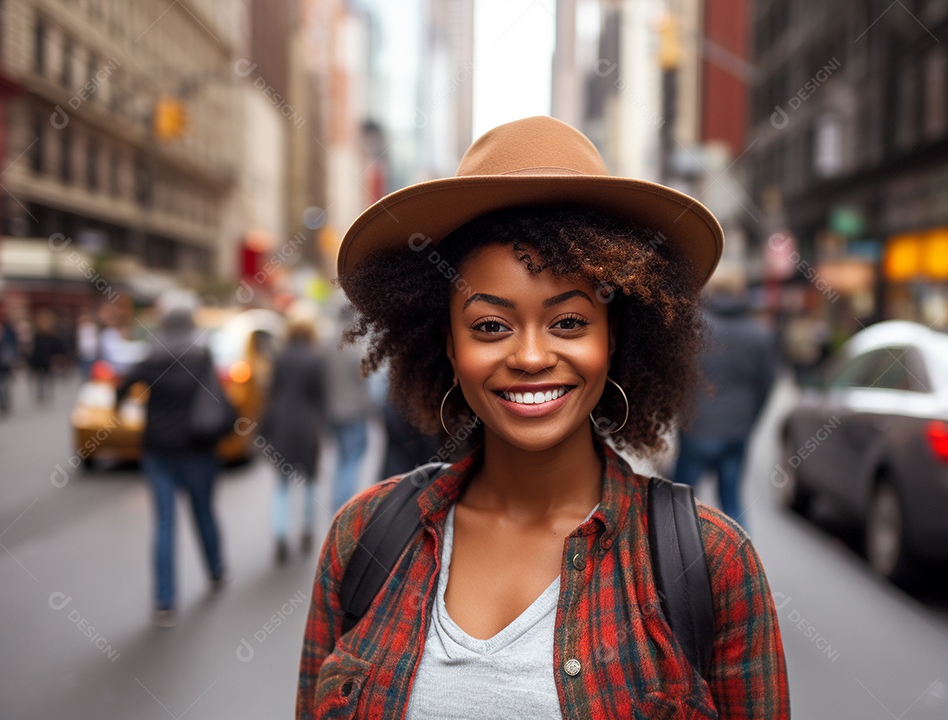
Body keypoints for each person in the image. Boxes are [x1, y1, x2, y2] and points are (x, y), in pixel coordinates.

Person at [297, 116, 789, 719]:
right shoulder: (362, 539)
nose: (530, 357)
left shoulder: (713, 564)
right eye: (490, 326)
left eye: (569, 322)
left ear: (614, 337)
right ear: (449, 344)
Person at [115, 303, 227, 627]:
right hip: (197, 450)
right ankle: (216, 573)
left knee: (164, 523)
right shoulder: (201, 357)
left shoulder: (149, 359)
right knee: (203, 513)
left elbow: (121, 392)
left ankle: (164, 601)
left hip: (157, 452)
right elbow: (216, 397)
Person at [673, 280, 778, 527]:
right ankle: (741, 551)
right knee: (732, 502)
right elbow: (766, 385)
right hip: (736, 431)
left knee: (679, 504)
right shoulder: (759, 333)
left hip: (696, 427)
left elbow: (676, 376)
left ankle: (676, 550)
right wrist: (749, 421)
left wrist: (680, 416)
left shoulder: (694, 327)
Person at [260, 317, 326, 563]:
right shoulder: (315, 359)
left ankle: (280, 533)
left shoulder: (279, 358)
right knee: (309, 481)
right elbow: (320, 397)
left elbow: (272, 392)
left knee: (282, 483)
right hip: (307, 426)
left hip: (282, 426)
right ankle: (307, 529)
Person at [325, 308, 373, 513]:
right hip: (353, 413)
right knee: (351, 461)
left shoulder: (327, 344)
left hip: (332, 413)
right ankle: (344, 507)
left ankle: (338, 504)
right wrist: (370, 409)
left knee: (341, 459)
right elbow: (364, 379)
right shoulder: (354, 346)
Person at [27, 309, 67, 404]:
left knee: (44, 378)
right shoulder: (40, 335)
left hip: (45, 361)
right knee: (43, 378)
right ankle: (43, 394)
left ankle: (43, 394)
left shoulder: (47, 335)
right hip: (42, 361)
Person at [0, 303, 18, 418]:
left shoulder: (8, 330)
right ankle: (2, 402)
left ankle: (4, 402)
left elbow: (13, 345)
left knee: (3, 382)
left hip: (4, 361)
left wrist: (12, 358)